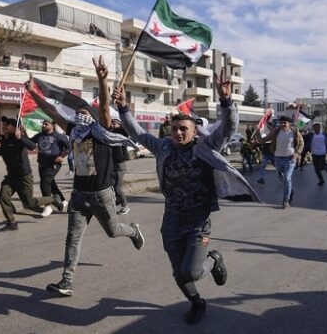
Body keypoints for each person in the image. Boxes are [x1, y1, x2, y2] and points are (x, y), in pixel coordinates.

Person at [114, 68, 260, 325]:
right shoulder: (163, 147)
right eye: (174, 129)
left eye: (184, 129)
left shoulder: (204, 148)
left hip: (197, 221)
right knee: (178, 274)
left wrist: (226, 102)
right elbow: (137, 133)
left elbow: (228, 128)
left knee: (190, 271)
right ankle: (197, 303)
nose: (178, 133)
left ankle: (213, 259)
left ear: (194, 131)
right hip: (172, 219)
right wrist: (124, 107)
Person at [26, 57, 144, 298]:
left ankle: (133, 232)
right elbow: (50, 110)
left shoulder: (101, 133)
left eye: (83, 113)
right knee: (72, 238)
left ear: (92, 117)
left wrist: (103, 80)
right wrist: (33, 94)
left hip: (101, 195)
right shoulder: (74, 132)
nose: (79, 117)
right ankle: (66, 281)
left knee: (112, 231)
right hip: (79, 196)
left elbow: (103, 109)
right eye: (77, 114)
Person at [0, 116, 60, 231]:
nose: (4, 127)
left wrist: (20, 137)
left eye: (7, 125)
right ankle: (11, 223)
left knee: (29, 204)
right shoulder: (1, 140)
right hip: (11, 177)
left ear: (14, 127)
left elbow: (32, 146)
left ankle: (53, 199)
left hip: (24, 177)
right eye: (3, 125)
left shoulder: (20, 138)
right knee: (3, 197)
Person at [257, 116, 303, 209]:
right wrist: (257, 133)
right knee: (282, 179)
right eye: (281, 123)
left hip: (290, 159)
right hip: (278, 159)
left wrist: (297, 153)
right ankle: (290, 191)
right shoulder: (275, 131)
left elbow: (301, 143)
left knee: (286, 178)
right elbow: (262, 140)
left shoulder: (294, 132)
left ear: (289, 123)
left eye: (284, 123)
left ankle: (286, 201)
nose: (282, 124)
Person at [31, 119, 69, 210]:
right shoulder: (39, 136)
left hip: (53, 164)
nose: (43, 125)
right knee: (51, 184)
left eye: (46, 124)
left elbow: (70, 146)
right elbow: (30, 142)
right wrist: (23, 134)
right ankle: (63, 201)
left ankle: (47, 206)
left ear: (52, 125)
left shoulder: (59, 136)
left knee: (44, 183)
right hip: (42, 164)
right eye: (43, 124)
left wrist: (62, 156)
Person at [110, 118, 130, 214]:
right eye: (111, 123)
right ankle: (117, 201)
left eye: (114, 123)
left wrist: (120, 126)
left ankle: (125, 206)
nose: (112, 125)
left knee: (117, 186)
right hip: (112, 163)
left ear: (119, 124)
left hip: (120, 164)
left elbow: (126, 131)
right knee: (112, 185)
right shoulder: (111, 133)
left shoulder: (121, 133)